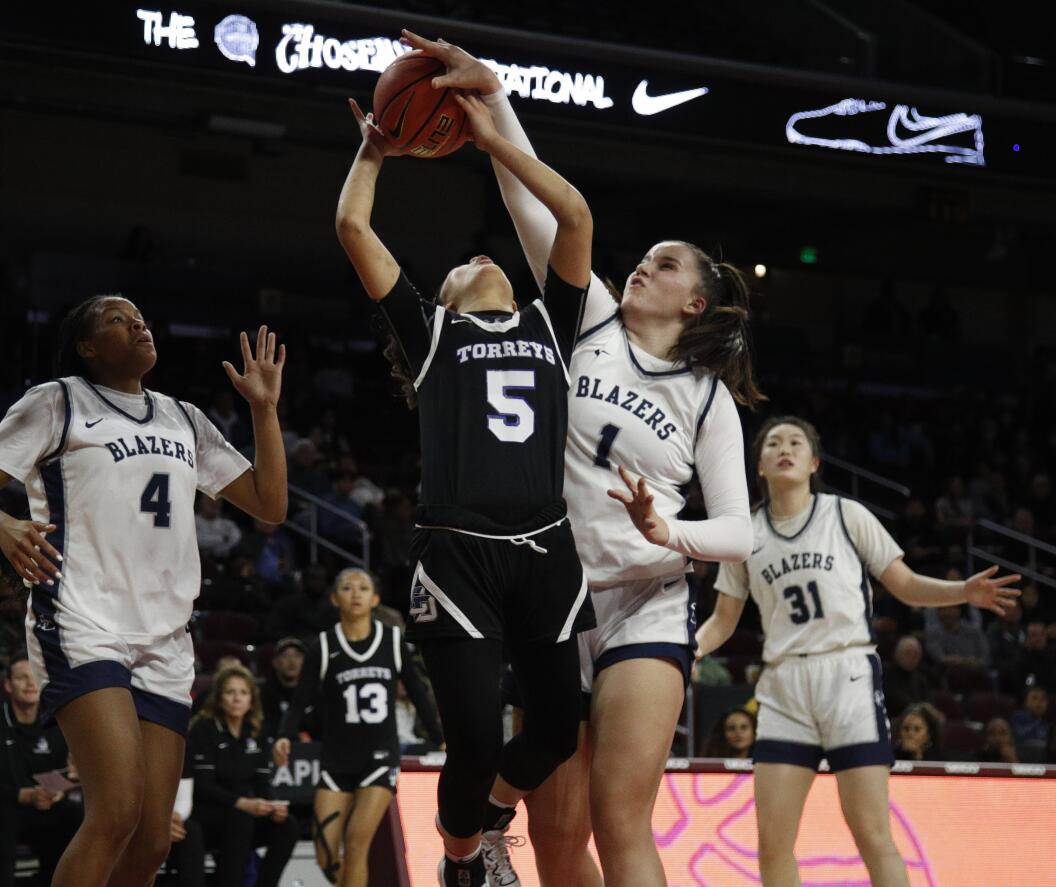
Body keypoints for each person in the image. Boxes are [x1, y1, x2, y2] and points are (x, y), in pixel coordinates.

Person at [401, 31, 759, 887]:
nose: (644, 266)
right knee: (558, 840)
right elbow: (543, 208)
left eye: (665, 265)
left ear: (696, 300)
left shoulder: (707, 395)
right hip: (552, 600)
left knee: (617, 817)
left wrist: (664, 527)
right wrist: (491, 99)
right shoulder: (585, 317)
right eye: (645, 257)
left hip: (641, 601)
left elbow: (742, 530)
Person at [335, 71, 598, 887]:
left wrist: (494, 143)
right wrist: (373, 153)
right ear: (444, 296)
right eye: (457, 264)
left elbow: (575, 216)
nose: (478, 256)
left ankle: (489, 817)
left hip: (547, 545)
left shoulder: (555, 322)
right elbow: (351, 223)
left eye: (485, 256)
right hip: (459, 554)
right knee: (477, 737)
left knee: (558, 725)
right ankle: (458, 862)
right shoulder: (433, 334)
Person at [0, 294, 289, 887]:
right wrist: (3, 526)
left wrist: (264, 410)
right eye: (116, 319)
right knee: (117, 812)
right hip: (83, 617)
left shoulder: (184, 417)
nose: (137, 324)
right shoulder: (56, 401)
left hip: (165, 634)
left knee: (154, 839)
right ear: (86, 346)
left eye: (141, 318)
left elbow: (271, 504)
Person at [696, 417, 1019, 887]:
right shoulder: (745, 535)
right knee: (773, 843)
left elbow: (905, 585)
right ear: (760, 465)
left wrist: (962, 592)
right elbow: (723, 621)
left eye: (795, 442)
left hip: (846, 673)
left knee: (871, 832)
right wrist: (686, 651)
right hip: (783, 683)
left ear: (814, 462)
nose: (784, 448)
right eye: (773, 443)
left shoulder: (846, 515)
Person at [274, 569, 445, 887]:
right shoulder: (322, 646)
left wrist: (439, 738)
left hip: (379, 758)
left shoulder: (393, 641)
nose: (355, 593)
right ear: (334, 598)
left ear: (375, 598)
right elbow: (300, 700)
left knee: (356, 845)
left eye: (363, 588)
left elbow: (419, 693)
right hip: (336, 759)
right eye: (347, 588)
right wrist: (284, 735)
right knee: (325, 853)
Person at [0, 654, 81, 886]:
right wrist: (24, 795)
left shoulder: (56, 722)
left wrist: (56, 792)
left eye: (35, 678)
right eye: (22, 678)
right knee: (4, 817)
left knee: (79, 813)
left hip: (47, 804)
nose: (30, 684)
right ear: (8, 685)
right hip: (7, 807)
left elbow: (63, 773)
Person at [187, 665, 300, 887]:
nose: (237, 699)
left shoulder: (256, 731)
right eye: (230, 692)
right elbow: (203, 786)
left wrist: (272, 806)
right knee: (240, 819)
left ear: (251, 699)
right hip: (206, 812)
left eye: (243, 693)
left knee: (288, 825)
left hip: (244, 810)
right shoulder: (204, 728)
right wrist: (242, 803)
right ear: (219, 698)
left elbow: (261, 782)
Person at [260, 636, 318, 738]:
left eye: (297, 655)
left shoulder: (315, 692)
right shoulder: (264, 694)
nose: (292, 661)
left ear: (305, 662)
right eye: (285, 655)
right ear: (275, 662)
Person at [924, 604, 989, 669]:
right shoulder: (933, 634)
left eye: (950, 609)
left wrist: (966, 662)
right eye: (942, 609)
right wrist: (966, 661)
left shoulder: (974, 632)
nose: (946, 613)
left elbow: (985, 659)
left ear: (959, 610)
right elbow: (939, 658)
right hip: (946, 674)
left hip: (976, 673)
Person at [881, 636, 930, 718]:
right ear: (896, 654)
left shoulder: (920, 679)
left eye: (916, 655)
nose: (912, 657)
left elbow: (927, 703)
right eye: (907, 653)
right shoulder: (885, 673)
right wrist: (919, 709)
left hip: (916, 718)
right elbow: (894, 699)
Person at [194, 492, 243, 560]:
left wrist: (217, 549)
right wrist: (222, 538)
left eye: (218, 500)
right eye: (210, 499)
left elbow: (235, 539)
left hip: (223, 561)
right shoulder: (192, 521)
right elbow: (197, 541)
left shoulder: (228, 524)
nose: (214, 503)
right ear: (201, 501)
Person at [1011, 685, 1051, 762]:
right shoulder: (1018, 718)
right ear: (1025, 702)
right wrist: (1037, 722)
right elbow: (1020, 737)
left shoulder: (1047, 724)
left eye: (1043, 699)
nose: (1039, 702)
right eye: (1034, 698)